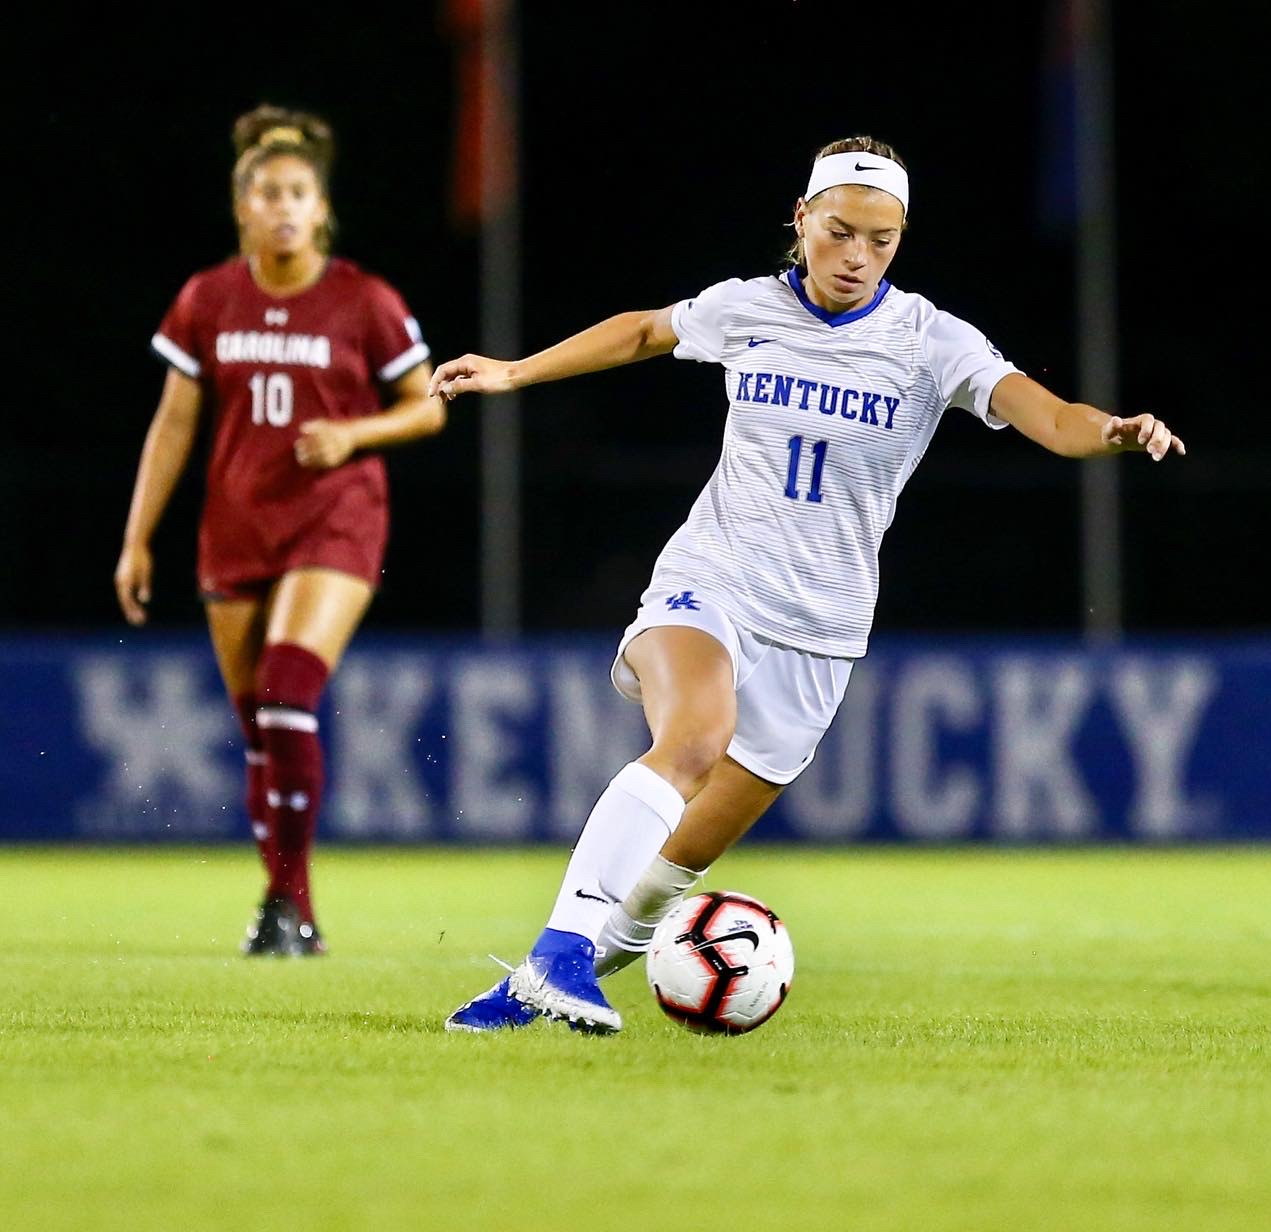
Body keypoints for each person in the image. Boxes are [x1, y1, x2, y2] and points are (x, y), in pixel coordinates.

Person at [431, 135, 1184, 1033]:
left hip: (820, 629)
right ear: (802, 219)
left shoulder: (927, 341)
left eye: (882, 238)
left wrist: (1112, 431)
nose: (858, 256)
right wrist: (515, 370)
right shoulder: (745, 309)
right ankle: (559, 957)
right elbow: (641, 331)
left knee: (668, 876)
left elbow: (1053, 418)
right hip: (712, 580)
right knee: (693, 739)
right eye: (840, 231)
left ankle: (536, 987)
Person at [115, 105, 446, 955]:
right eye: (267, 193)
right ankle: (284, 902)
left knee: (288, 691)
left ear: (321, 206)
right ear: (242, 209)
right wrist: (136, 536)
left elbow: (425, 408)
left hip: (336, 519)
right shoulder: (208, 298)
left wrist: (353, 434)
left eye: (299, 191)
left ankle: (290, 909)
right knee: (260, 730)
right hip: (236, 525)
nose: (284, 206)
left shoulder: (363, 300)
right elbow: (174, 424)